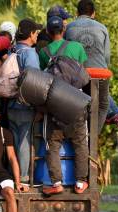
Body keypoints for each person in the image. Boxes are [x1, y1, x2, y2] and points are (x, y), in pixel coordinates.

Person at [38, 16, 89, 195]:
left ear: (48, 32)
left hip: (56, 106)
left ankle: (56, 182)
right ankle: (81, 183)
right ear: (63, 29)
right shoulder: (77, 47)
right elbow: (83, 71)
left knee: (52, 144)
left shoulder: (44, 52)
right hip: (76, 103)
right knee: (80, 143)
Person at [65, 0, 110, 133]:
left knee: (77, 105)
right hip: (99, 73)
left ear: (77, 13)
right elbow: (106, 56)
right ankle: (92, 135)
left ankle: (80, 137)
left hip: (77, 74)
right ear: (93, 14)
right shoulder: (102, 28)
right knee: (102, 105)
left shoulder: (69, 28)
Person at [7, 18, 43, 185]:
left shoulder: (12, 50)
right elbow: (34, 83)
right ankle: (22, 178)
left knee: (13, 142)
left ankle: (13, 177)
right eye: (36, 32)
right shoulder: (29, 53)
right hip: (25, 107)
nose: (37, 35)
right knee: (24, 143)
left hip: (10, 105)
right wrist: (38, 108)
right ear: (30, 34)